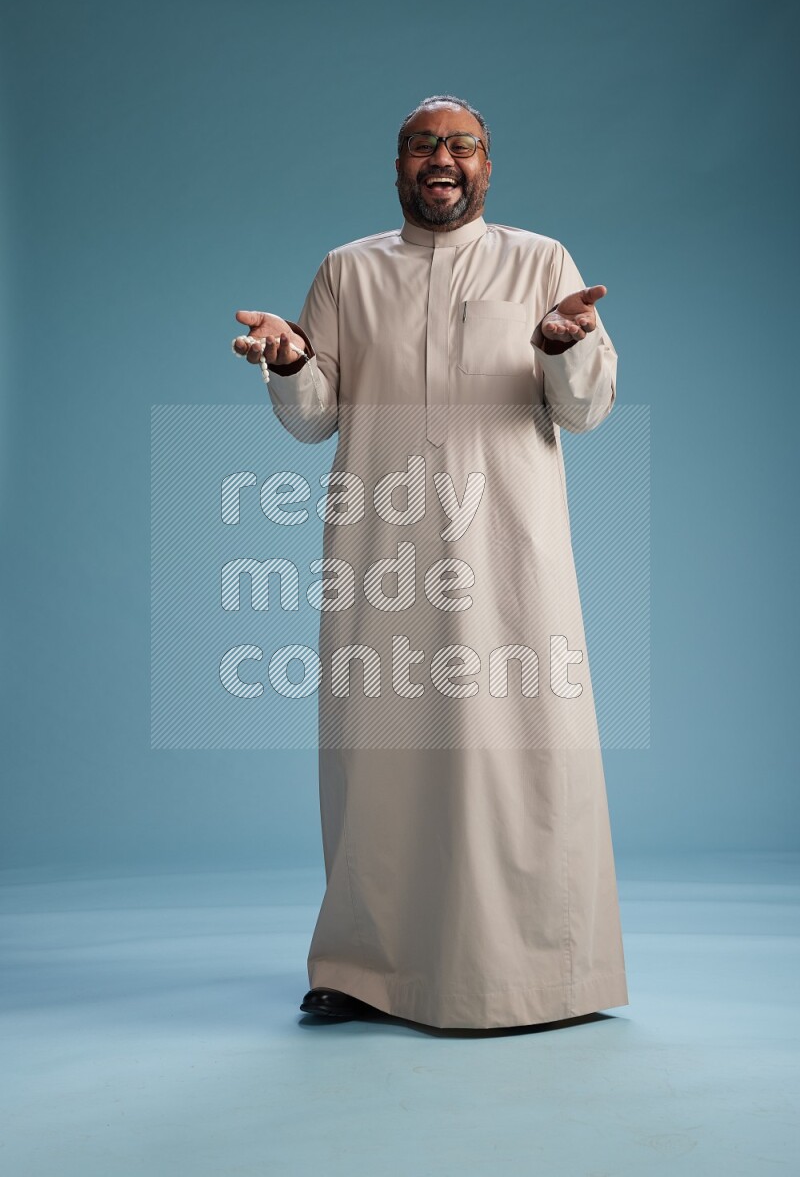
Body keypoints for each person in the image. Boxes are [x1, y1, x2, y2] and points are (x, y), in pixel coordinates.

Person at [232, 95, 629, 1030]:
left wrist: (564, 349)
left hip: (509, 559)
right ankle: (365, 969)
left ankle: (545, 970)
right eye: (422, 146)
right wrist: (289, 362)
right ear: (398, 165)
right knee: (378, 760)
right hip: (384, 556)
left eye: (461, 145)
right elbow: (313, 417)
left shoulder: (540, 263)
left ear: (489, 165)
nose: (441, 159)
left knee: (520, 755)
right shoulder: (347, 270)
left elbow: (587, 409)